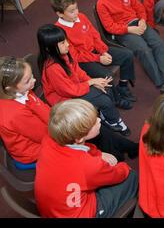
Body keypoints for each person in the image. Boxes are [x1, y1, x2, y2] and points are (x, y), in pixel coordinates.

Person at [0, 56, 138, 164]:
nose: (34, 81)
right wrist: (75, 127)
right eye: (27, 81)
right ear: (9, 88)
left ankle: (127, 149)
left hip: (52, 127)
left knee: (93, 125)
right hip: (40, 148)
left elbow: (44, 112)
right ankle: (114, 158)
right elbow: (46, 136)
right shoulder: (13, 114)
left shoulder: (22, 91)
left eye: (31, 76)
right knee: (90, 131)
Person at [34, 99, 139, 218]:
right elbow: (118, 175)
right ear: (78, 138)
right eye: (93, 123)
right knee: (132, 176)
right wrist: (124, 167)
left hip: (56, 208)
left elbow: (84, 149)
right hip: (82, 213)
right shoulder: (88, 165)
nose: (99, 120)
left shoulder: (49, 138)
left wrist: (99, 154)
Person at [37, 24, 132, 136]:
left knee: (105, 86)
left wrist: (94, 81)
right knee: (104, 100)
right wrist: (91, 82)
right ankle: (114, 121)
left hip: (75, 87)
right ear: (49, 48)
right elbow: (68, 91)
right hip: (65, 98)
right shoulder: (52, 68)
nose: (67, 44)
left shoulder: (63, 54)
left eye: (66, 40)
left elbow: (78, 72)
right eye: (62, 43)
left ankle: (105, 115)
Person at [51, 0, 137, 103]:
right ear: (60, 14)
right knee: (107, 75)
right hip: (82, 61)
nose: (76, 13)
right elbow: (75, 56)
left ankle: (123, 86)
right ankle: (117, 100)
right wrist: (98, 58)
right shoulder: (59, 31)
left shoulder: (81, 16)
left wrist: (103, 51)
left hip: (97, 52)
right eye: (71, 11)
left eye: (76, 8)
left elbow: (95, 35)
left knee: (127, 55)